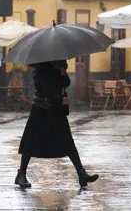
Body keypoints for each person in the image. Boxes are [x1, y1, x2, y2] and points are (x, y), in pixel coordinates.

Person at [15, 59, 99, 189]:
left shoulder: (59, 63)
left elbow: (66, 83)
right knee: (31, 143)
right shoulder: (40, 65)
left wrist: (62, 71)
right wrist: (59, 98)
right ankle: (21, 174)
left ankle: (81, 173)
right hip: (41, 109)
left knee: (68, 141)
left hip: (56, 110)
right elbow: (41, 86)